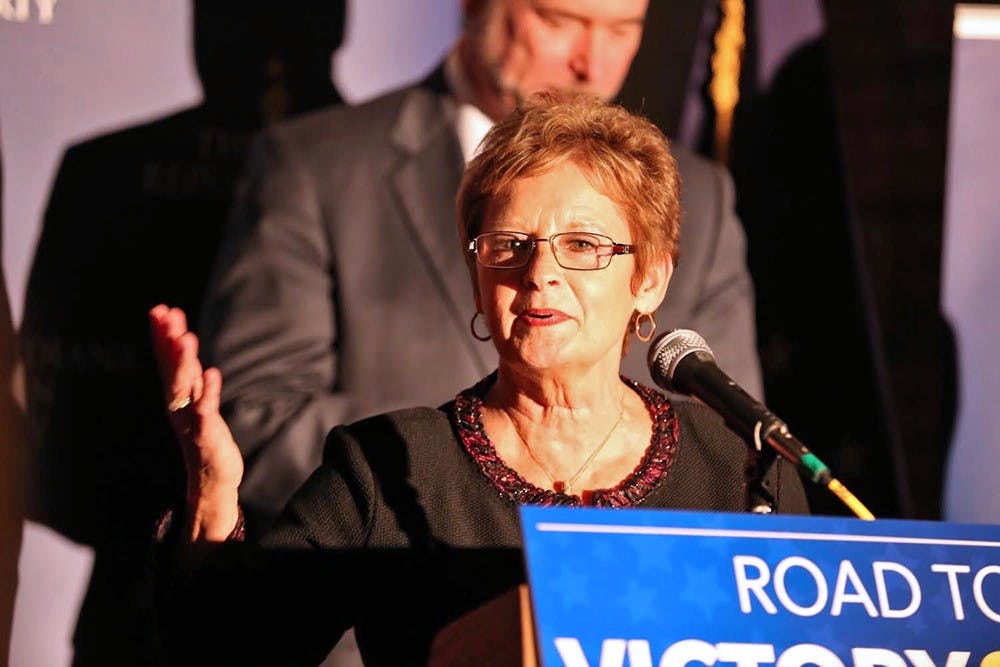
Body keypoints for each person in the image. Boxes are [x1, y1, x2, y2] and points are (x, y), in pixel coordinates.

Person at [153, 93, 807, 665]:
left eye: (582, 245)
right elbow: (228, 650)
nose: (540, 273)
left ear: (651, 279)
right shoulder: (383, 468)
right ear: (478, 276)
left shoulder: (744, 473)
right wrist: (212, 494)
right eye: (509, 244)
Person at [200, 0, 765, 538]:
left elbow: (732, 450)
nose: (591, 63)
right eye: (559, 19)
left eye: (621, 29)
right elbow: (260, 415)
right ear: (475, 4)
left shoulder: (701, 197)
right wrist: (476, 469)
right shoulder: (316, 167)